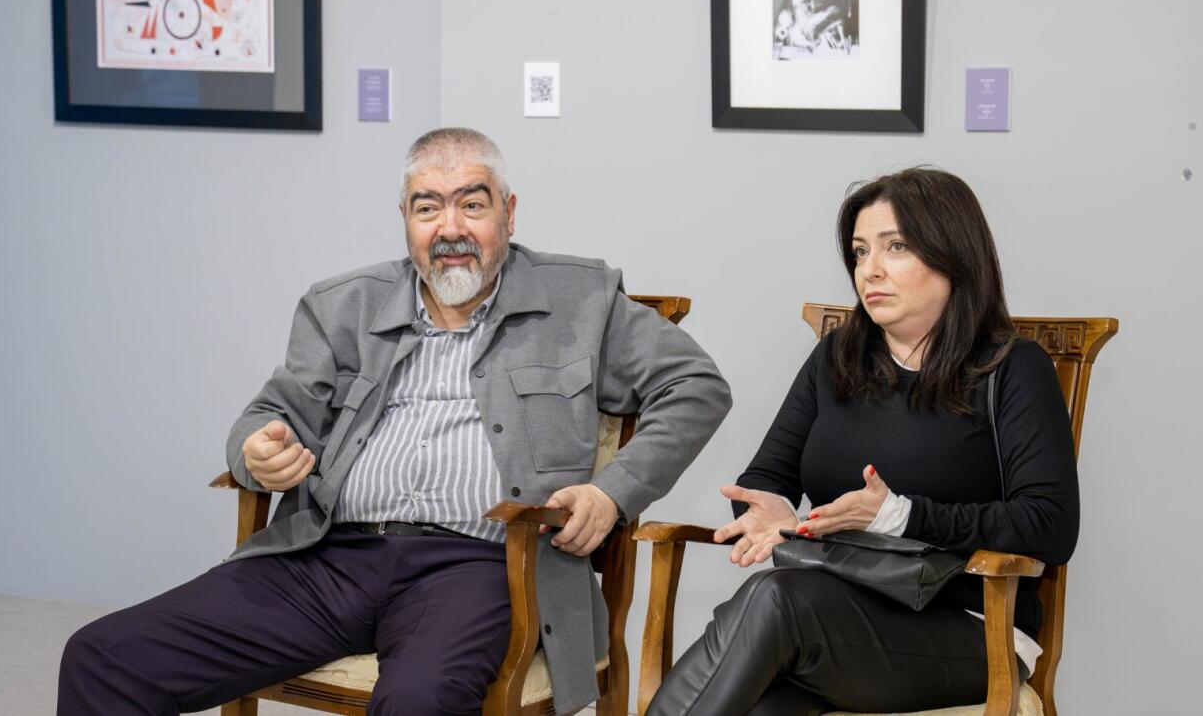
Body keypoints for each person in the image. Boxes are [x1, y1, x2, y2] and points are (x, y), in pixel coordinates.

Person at [58, 128, 732, 716]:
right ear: (405, 219)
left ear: (509, 212)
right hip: (325, 557)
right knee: (104, 656)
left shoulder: (582, 298)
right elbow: (271, 412)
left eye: (473, 204)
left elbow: (697, 386)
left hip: (482, 566)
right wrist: (254, 451)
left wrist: (612, 492)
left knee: (417, 701)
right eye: (427, 207)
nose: (450, 228)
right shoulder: (342, 304)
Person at [647, 168, 1078, 715]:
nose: (869, 269)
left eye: (896, 246)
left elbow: (1050, 526)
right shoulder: (836, 358)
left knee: (776, 600)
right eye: (859, 252)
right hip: (833, 614)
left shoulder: (1013, 369)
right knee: (759, 703)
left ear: (954, 255)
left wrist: (898, 516)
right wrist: (770, 511)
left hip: (972, 631)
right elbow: (766, 478)